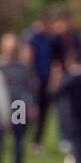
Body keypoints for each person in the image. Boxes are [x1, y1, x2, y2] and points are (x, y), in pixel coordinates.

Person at [0, 31, 36, 163]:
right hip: (1, 107)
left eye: (14, 47)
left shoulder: (24, 67)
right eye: (8, 47)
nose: (11, 50)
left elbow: (29, 88)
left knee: (18, 145)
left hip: (19, 106)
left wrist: (32, 106)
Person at [23, 14, 55, 152]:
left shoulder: (48, 38)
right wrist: (31, 78)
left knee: (43, 112)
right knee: (27, 110)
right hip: (32, 80)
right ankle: (20, 137)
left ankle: (37, 141)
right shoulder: (30, 37)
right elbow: (27, 59)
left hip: (45, 80)